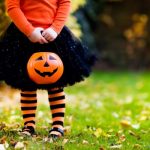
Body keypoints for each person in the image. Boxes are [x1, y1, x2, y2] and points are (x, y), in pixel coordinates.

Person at [0, 0, 96, 139]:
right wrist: (29, 31)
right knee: (27, 85)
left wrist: (55, 28)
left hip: (53, 35)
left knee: (56, 83)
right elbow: (13, 7)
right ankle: (29, 125)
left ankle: (58, 125)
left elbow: (64, 3)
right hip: (23, 36)